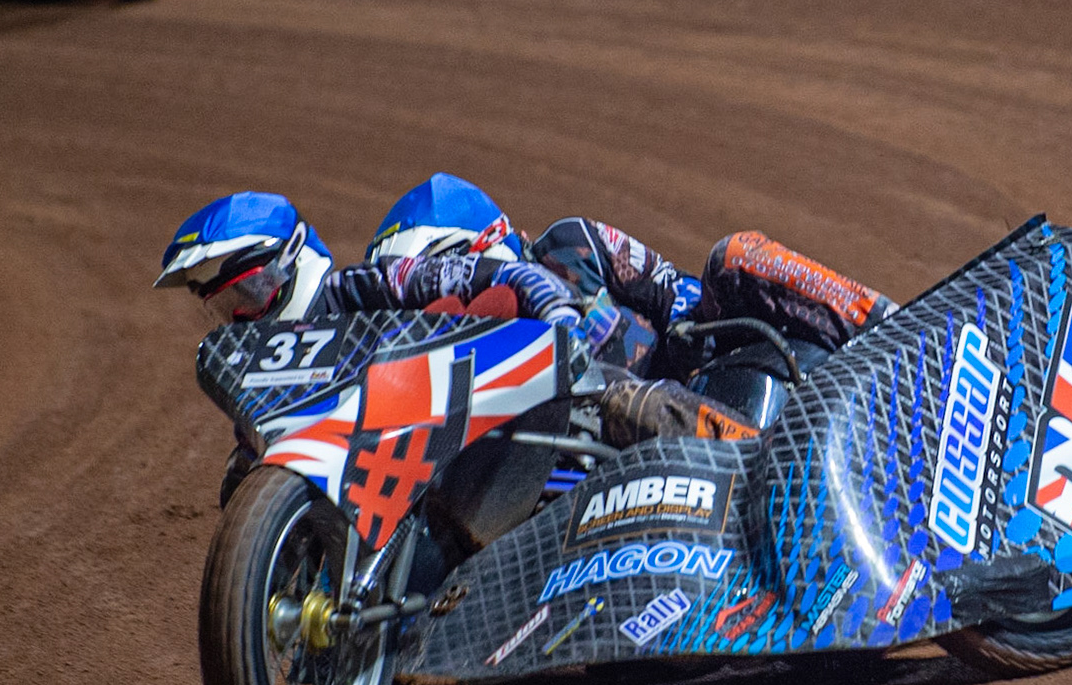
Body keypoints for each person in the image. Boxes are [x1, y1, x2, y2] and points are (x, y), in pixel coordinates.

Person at [364, 174, 901, 446]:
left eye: (439, 272)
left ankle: (897, 330)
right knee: (612, 400)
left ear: (479, 243)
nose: (433, 299)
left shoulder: (568, 244)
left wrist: (686, 333)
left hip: (695, 370)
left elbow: (668, 287)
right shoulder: (450, 372)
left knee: (732, 256)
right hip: (599, 463)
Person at [156, 191, 583, 506]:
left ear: (291, 260)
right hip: (370, 496)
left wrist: (562, 319)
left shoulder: (367, 284)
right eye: (223, 307)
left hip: (459, 447)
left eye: (247, 294)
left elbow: (505, 276)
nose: (240, 317)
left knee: (481, 307)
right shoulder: (257, 375)